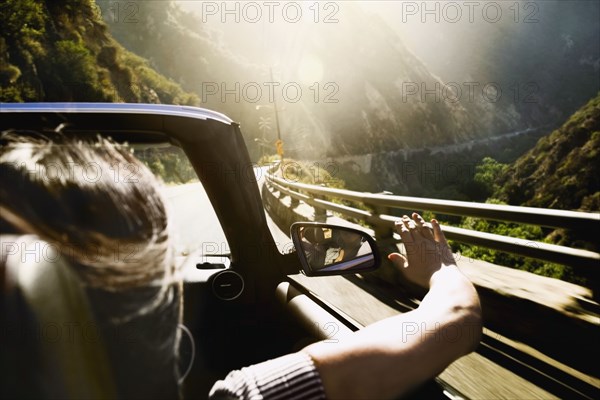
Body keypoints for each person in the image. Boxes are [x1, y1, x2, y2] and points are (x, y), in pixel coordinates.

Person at [1, 131, 482, 399]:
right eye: (166, 268)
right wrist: (439, 268)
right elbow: (454, 322)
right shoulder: (242, 398)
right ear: (149, 310)